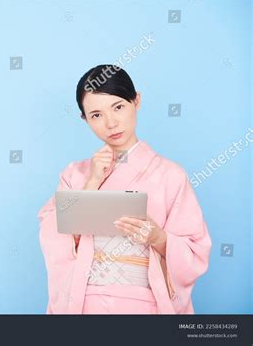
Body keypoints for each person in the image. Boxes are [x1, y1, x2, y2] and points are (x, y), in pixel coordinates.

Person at [37, 64, 212, 314]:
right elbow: (53, 237)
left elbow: (196, 250)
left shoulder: (171, 175)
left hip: (145, 304)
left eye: (118, 107)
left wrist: (158, 238)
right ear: (84, 119)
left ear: (136, 101)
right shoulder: (74, 175)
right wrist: (92, 183)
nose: (111, 123)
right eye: (96, 115)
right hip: (85, 302)